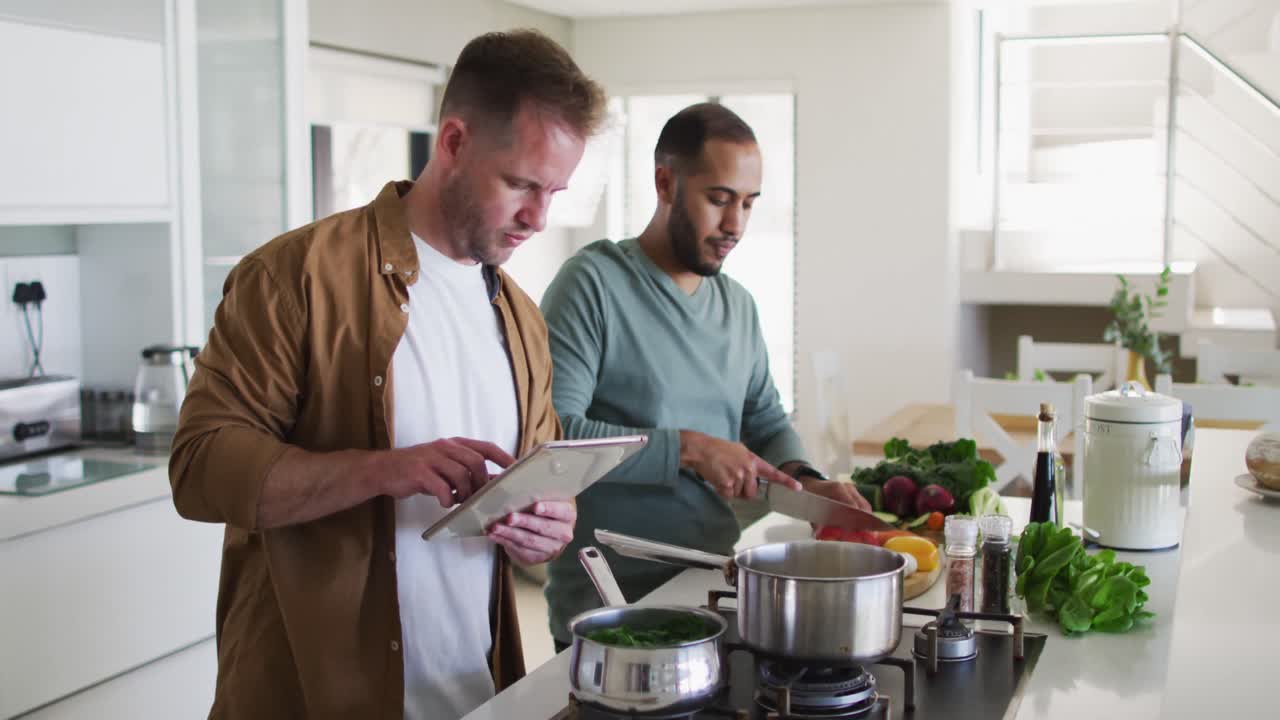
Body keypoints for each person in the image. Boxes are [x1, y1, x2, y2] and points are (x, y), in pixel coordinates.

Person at [168, 30, 606, 720]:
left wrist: (548, 526)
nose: (538, 217)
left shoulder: (522, 320)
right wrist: (381, 470)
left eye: (554, 191)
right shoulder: (295, 276)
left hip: (474, 695)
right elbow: (197, 469)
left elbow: (541, 496)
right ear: (454, 142)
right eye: (521, 183)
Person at [540, 103, 869, 650]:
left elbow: (764, 419)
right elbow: (554, 438)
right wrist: (687, 450)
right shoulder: (591, 284)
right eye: (718, 200)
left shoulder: (736, 305)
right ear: (665, 182)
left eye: (748, 203)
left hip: (715, 588)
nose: (735, 224)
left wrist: (806, 479)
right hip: (610, 607)